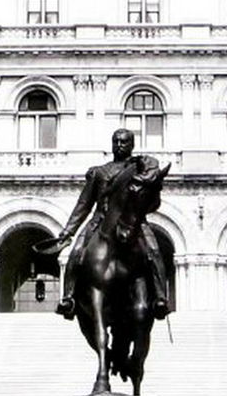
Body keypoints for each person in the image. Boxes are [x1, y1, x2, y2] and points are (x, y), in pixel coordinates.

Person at [38, 127, 170, 320]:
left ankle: (160, 298)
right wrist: (68, 230)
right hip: (99, 221)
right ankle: (68, 298)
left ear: (132, 145)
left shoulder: (139, 167)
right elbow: (83, 205)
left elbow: (151, 200)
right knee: (76, 252)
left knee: (154, 251)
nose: (119, 145)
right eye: (116, 141)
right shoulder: (99, 173)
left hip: (134, 222)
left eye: (124, 142)